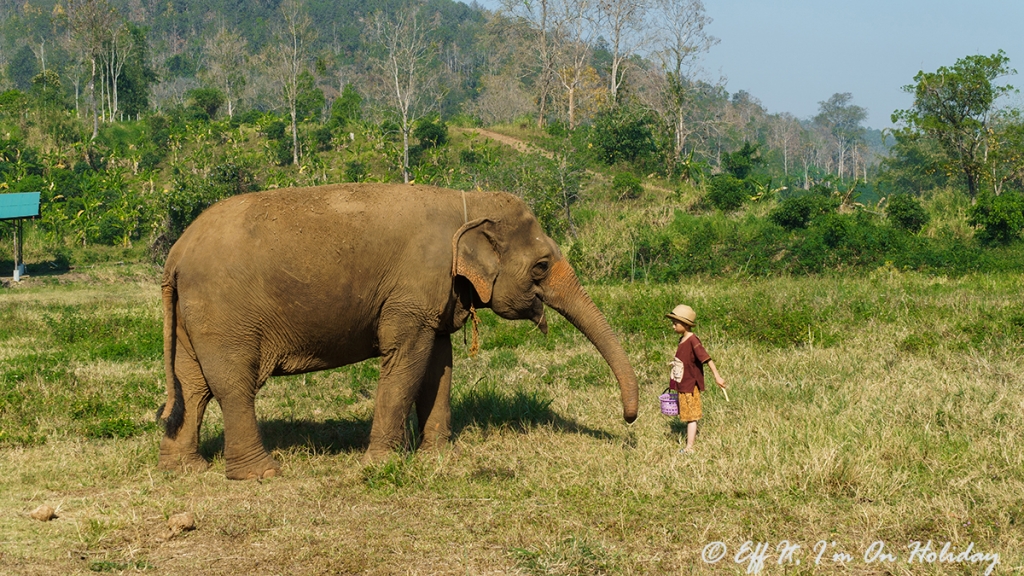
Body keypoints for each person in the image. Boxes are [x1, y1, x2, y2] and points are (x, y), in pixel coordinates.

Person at [666, 304, 726, 454]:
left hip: (690, 385)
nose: (673, 326)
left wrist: (717, 376)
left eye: (675, 323)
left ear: (685, 324)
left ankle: (690, 447)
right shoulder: (682, 339)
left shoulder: (693, 340)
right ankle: (689, 444)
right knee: (687, 415)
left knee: (692, 417)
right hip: (683, 384)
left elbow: (706, 359)